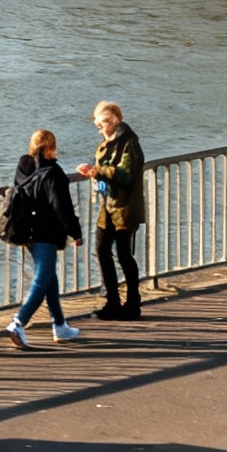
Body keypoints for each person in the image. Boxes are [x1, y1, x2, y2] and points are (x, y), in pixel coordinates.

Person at [2, 130, 83, 347]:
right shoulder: (53, 174)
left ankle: (60, 325)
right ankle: (18, 322)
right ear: (51, 147)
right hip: (46, 232)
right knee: (41, 279)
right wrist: (75, 232)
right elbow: (62, 207)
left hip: (26, 231)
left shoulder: (24, 166)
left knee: (49, 277)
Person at [75, 103, 146, 320]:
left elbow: (125, 175)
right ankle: (112, 301)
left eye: (101, 125)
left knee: (124, 254)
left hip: (125, 206)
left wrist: (97, 171)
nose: (99, 130)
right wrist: (93, 172)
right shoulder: (107, 144)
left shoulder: (129, 143)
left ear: (113, 120)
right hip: (108, 206)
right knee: (102, 249)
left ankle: (132, 304)